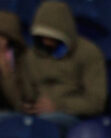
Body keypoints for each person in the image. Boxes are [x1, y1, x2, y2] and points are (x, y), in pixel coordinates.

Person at [24, 0, 106, 130]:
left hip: (72, 117)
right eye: (43, 36)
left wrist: (59, 105)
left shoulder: (89, 52)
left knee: (43, 123)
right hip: (36, 115)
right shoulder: (32, 53)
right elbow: (28, 93)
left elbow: (96, 102)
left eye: (51, 36)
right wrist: (28, 104)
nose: (46, 42)